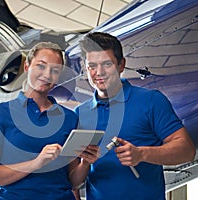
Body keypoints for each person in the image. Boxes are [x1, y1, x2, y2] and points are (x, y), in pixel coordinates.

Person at [69, 32, 196, 200]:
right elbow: (72, 182)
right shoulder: (80, 114)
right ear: (86, 69)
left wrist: (141, 154)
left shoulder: (151, 101)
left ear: (121, 65)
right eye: (92, 66)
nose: (99, 72)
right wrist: (85, 163)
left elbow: (187, 151)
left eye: (107, 64)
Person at [0, 42, 79, 200]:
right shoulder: (0, 113)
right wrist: (36, 163)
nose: (47, 74)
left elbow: (73, 181)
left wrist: (86, 163)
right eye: (41, 66)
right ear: (26, 67)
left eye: (54, 70)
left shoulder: (70, 118)